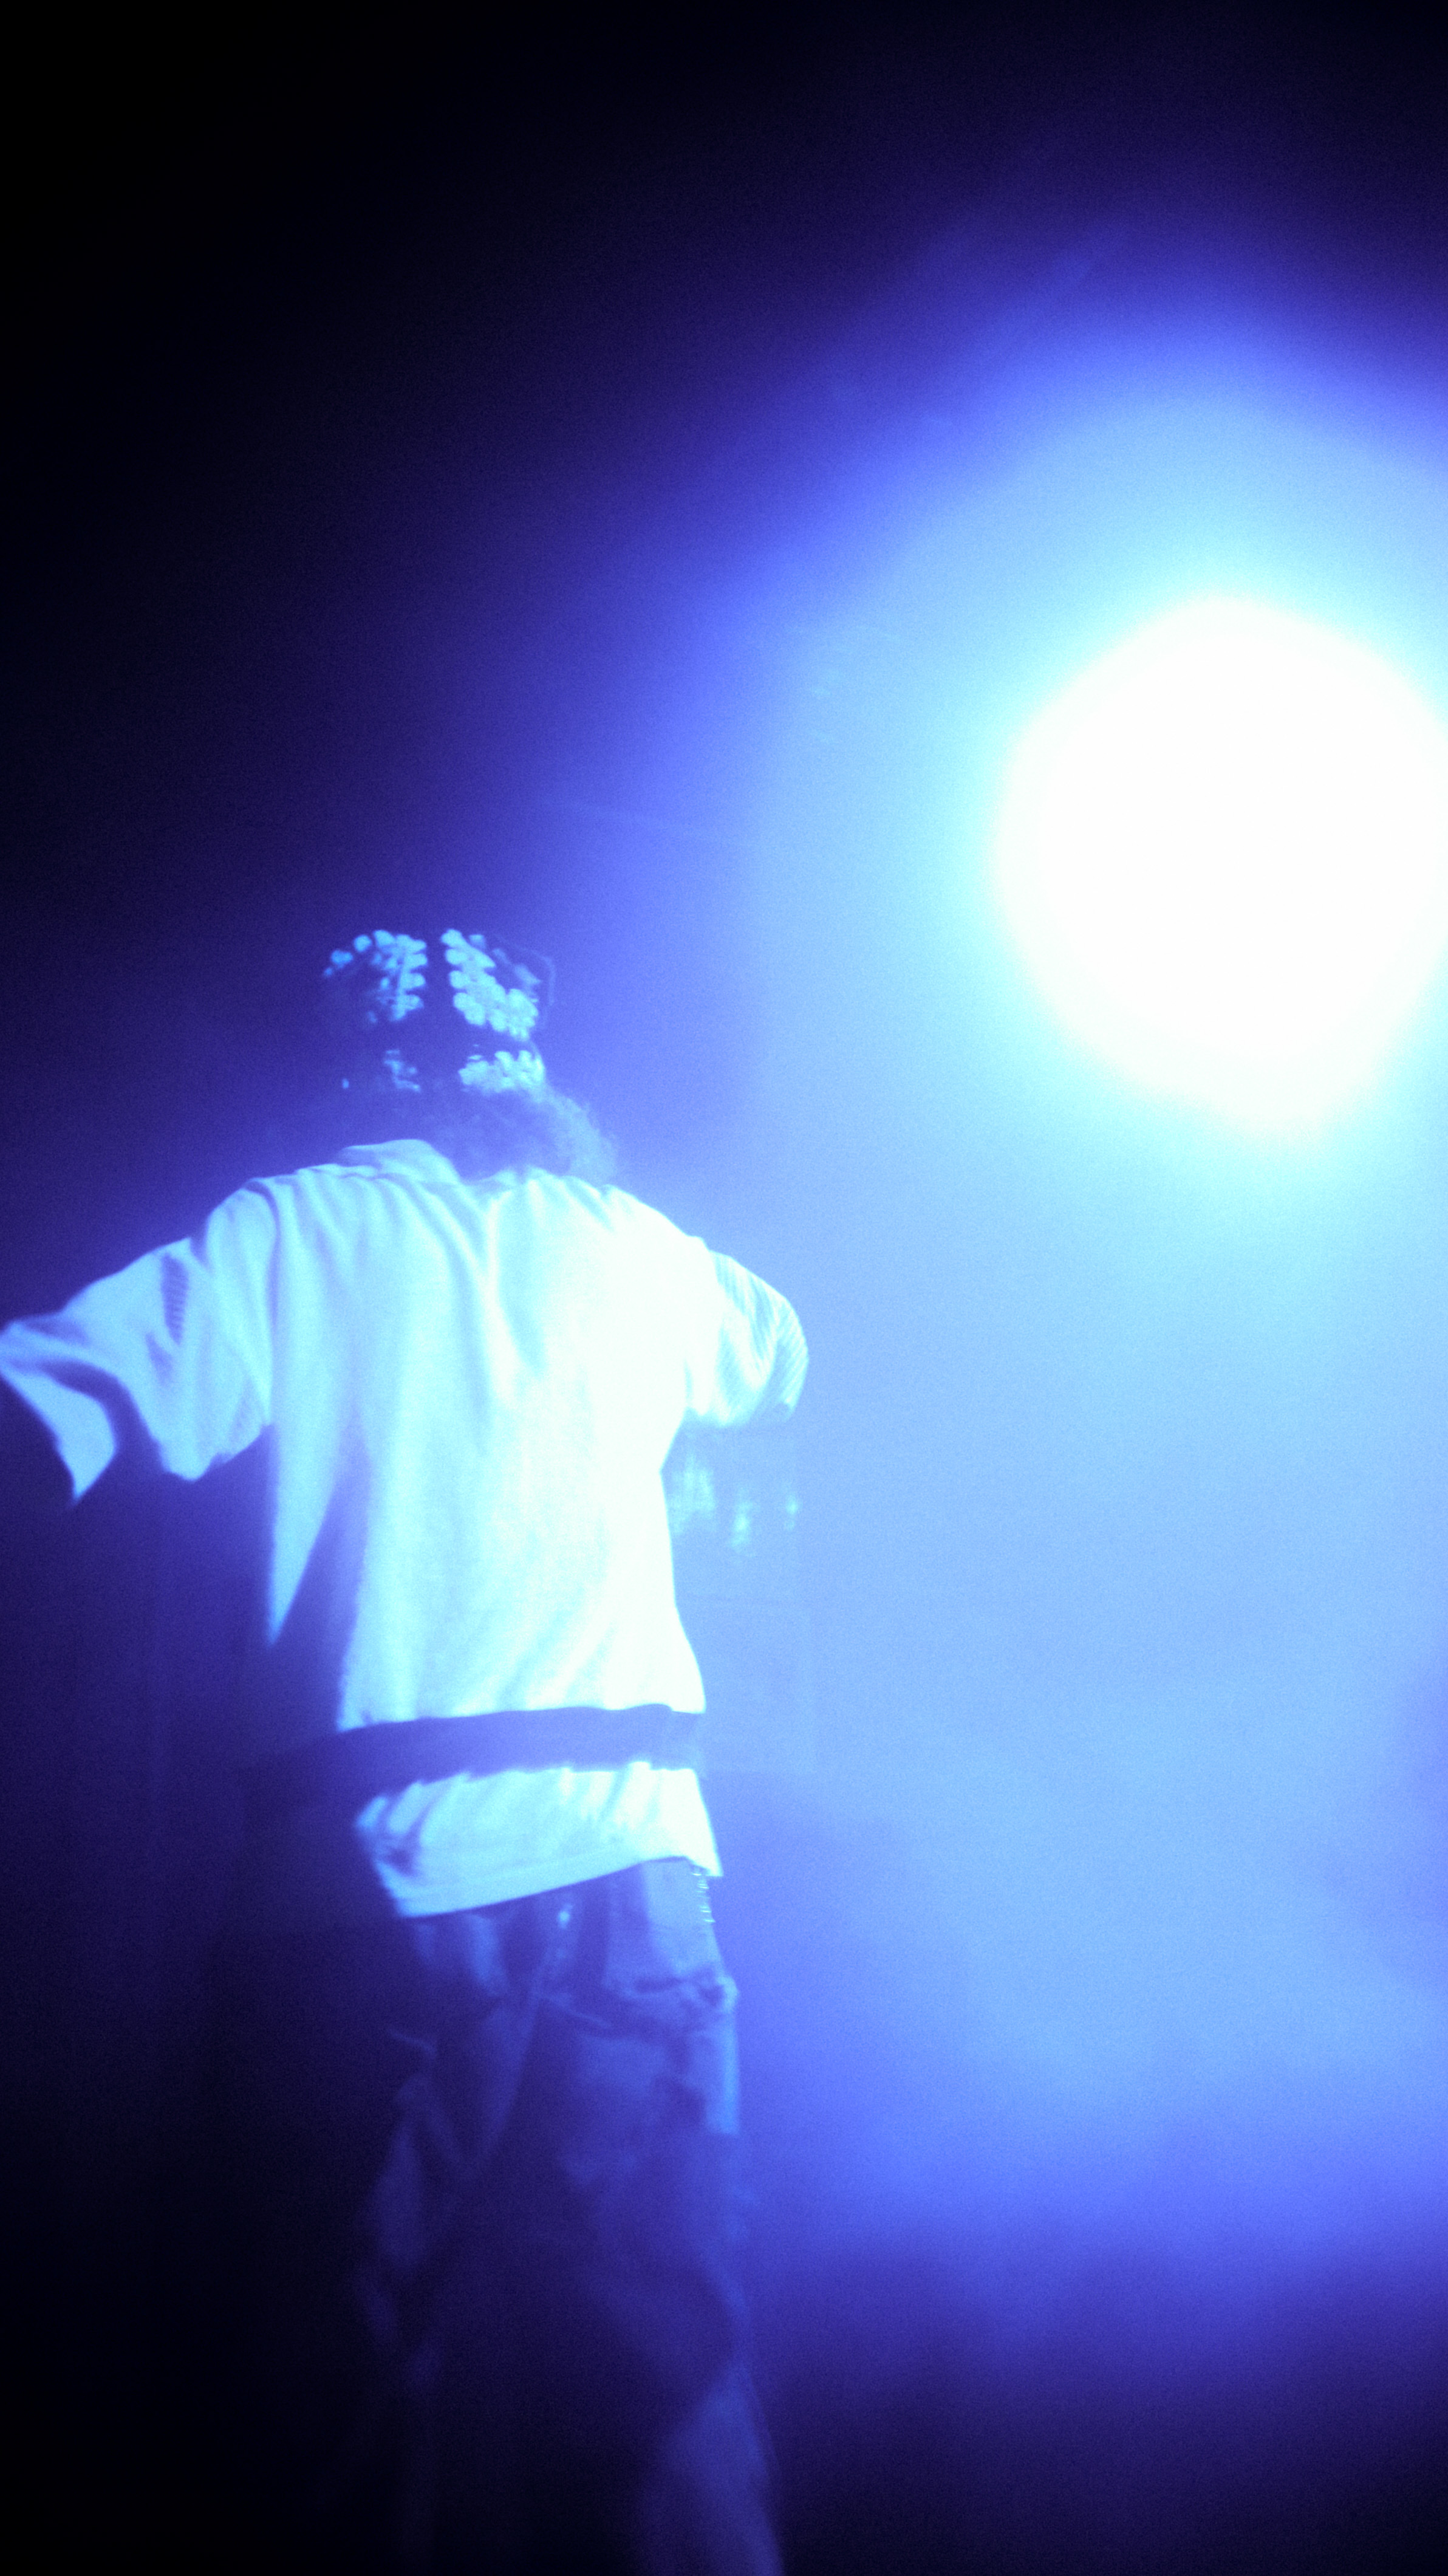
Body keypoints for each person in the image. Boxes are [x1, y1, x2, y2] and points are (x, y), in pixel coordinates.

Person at [0, 928, 806, 2574]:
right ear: (533, 1096)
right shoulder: (637, 1247)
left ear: (343, 1087)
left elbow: (49, 1397)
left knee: (327, 2430)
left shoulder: (293, 1234)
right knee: (664, 2420)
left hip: (364, 1916)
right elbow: (775, 1351)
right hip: (635, 1889)